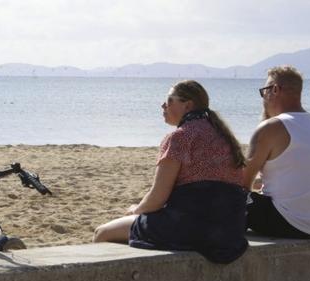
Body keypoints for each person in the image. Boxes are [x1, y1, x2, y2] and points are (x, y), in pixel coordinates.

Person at [92, 80, 249, 263]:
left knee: (102, 233)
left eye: (169, 100)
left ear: (187, 105)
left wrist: (136, 210)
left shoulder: (179, 138)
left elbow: (157, 198)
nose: (163, 105)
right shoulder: (224, 138)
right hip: (228, 232)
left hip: (191, 228)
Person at [241, 66, 310, 239]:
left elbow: (241, 183)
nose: (263, 99)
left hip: (288, 224)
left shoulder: (272, 127)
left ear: (274, 90)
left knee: (223, 193)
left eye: (263, 92)